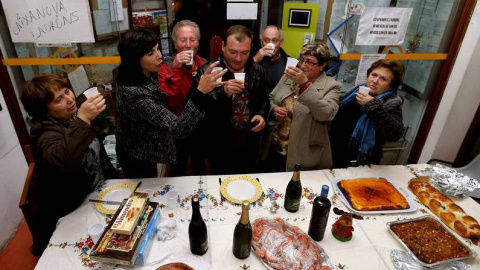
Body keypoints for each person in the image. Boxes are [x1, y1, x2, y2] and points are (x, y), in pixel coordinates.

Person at [20, 74, 117, 255]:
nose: (69, 99)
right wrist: (83, 120)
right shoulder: (43, 133)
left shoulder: (71, 119)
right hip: (71, 209)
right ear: (44, 110)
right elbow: (64, 159)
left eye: (67, 92)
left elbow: (98, 155)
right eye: (59, 100)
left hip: (96, 193)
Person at [115, 29, 226, 178]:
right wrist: (200, 92)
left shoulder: (148, 73)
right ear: (135, 59)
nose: (159, 55)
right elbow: (178, 128)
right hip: (141, 155)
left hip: (153, 146)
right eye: (150, 53)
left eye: (158, 49)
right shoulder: (134, 93)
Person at [191, 25, 269, 174]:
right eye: (233, 52)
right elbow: (196, 111)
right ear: (222, 46)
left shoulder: (257, 71)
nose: (238, 58)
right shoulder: (208, 72)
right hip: (219, 144)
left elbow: (264, 99)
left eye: (244, 53)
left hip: (249, 142)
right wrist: (222, 93)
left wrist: (261, 114)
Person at [264, 41, 341, 172]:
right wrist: (274, 109)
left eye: (310, 62)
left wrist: (305, 84)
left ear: (322, 65)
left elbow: (326, 113)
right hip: (276, 147)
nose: (303, 65)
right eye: (301, 60)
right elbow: (271, 98)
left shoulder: (332, 86)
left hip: (304, 154)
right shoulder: (289, 77)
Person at [329, 59, 405, 168]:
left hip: (359, 163)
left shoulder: (391, 103)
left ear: (391, 85)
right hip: (333, 155)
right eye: (374, 75)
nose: (375, 81)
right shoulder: (356, 91)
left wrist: (373, 106)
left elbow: (395, 134)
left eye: (383, 79)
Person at [159, 20, 207, 176]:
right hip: (177, 128)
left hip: (200, 127)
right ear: (175, 44)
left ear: (198, 43)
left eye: (192, 40)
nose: (188, 44)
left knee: (200, 165)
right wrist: (176, 69)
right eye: (182, 40)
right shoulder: (165, 67)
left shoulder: (205, 65)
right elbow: (168, 100)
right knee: (177, 168)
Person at [253, 25, 289, 93]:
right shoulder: (253, 57)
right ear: (262, 42)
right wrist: (255, 59)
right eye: (266, 40)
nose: (270, 44)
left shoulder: (287, 62)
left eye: (274, 40)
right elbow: (244, 82)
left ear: (281, 43)